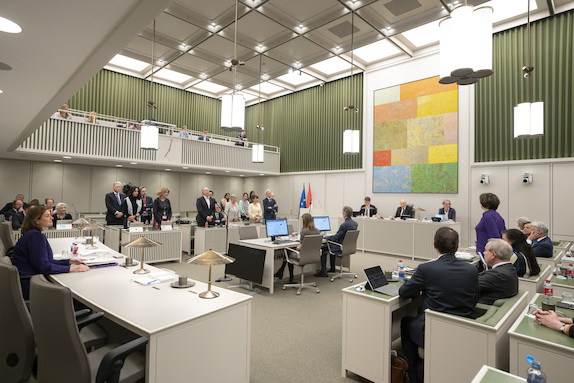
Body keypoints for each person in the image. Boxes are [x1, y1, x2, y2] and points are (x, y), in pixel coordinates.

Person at [399, 227, 478, 383]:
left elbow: (403, 292)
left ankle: (413, 374)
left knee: (406, 322)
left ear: (434, 245)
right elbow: (475, 298)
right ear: (457, 247)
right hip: (465, 329)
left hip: (434, 332)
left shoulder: (426, 269)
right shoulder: (471, 270)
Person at [11, 206, 89, 299]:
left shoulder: (33, 234)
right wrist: (72, 269)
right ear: (37, 220)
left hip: (32, 280)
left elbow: (46, 261)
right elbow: (43, 266)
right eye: (47, 216)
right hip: (31, 284)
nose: (52, 218)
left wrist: (69, 262)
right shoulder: (35, 236)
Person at [275, 213, 320, 283]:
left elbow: (299, 248)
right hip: (312, 256)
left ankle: (289, 277)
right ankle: (281, 272)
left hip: (303, 256)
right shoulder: (317, 231)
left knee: (287, 251)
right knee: (289, 251)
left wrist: (295, 247)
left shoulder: (304, 232)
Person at [315, 206, 357, 277]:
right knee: (331, 246)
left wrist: (326, 237)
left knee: (323, 249)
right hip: (348, 247)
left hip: (341, 247)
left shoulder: (344, 225)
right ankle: (332, 268)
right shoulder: (355, 224)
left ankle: (323, 271)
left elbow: (336, 237)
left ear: (344, 214)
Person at [477, 239, 518, 305]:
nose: (483, 253)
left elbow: (466, 286)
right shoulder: (510, 268)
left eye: (485, 250)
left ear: (493, 254)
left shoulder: (497, 275)